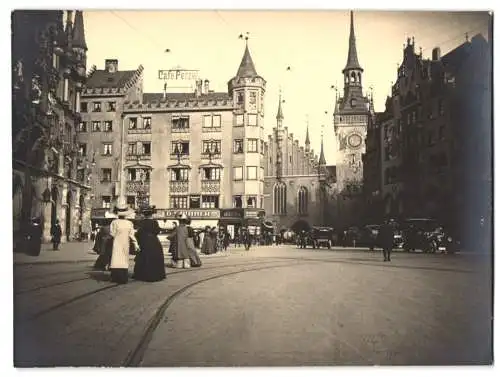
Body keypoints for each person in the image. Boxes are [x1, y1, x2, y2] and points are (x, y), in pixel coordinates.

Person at [133, 206, 166, 282]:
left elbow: (138, 233)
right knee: (155, 257)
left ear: (144, 214)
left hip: (144, 241)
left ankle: (142, 275)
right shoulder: (155, 222)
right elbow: (157, 231)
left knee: (143, 257)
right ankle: (155, 275)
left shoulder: (141, 222)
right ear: (151, 214)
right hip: (154, 241)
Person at [109, 203, 139, 284]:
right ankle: (123, 277)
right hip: (125, 244)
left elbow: (112, 233)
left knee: (116, 259)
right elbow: (132, 235)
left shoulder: (114, 222)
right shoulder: (129, 223)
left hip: (116, 243)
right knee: (124, 260)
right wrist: (136, 244)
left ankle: (115, 277)